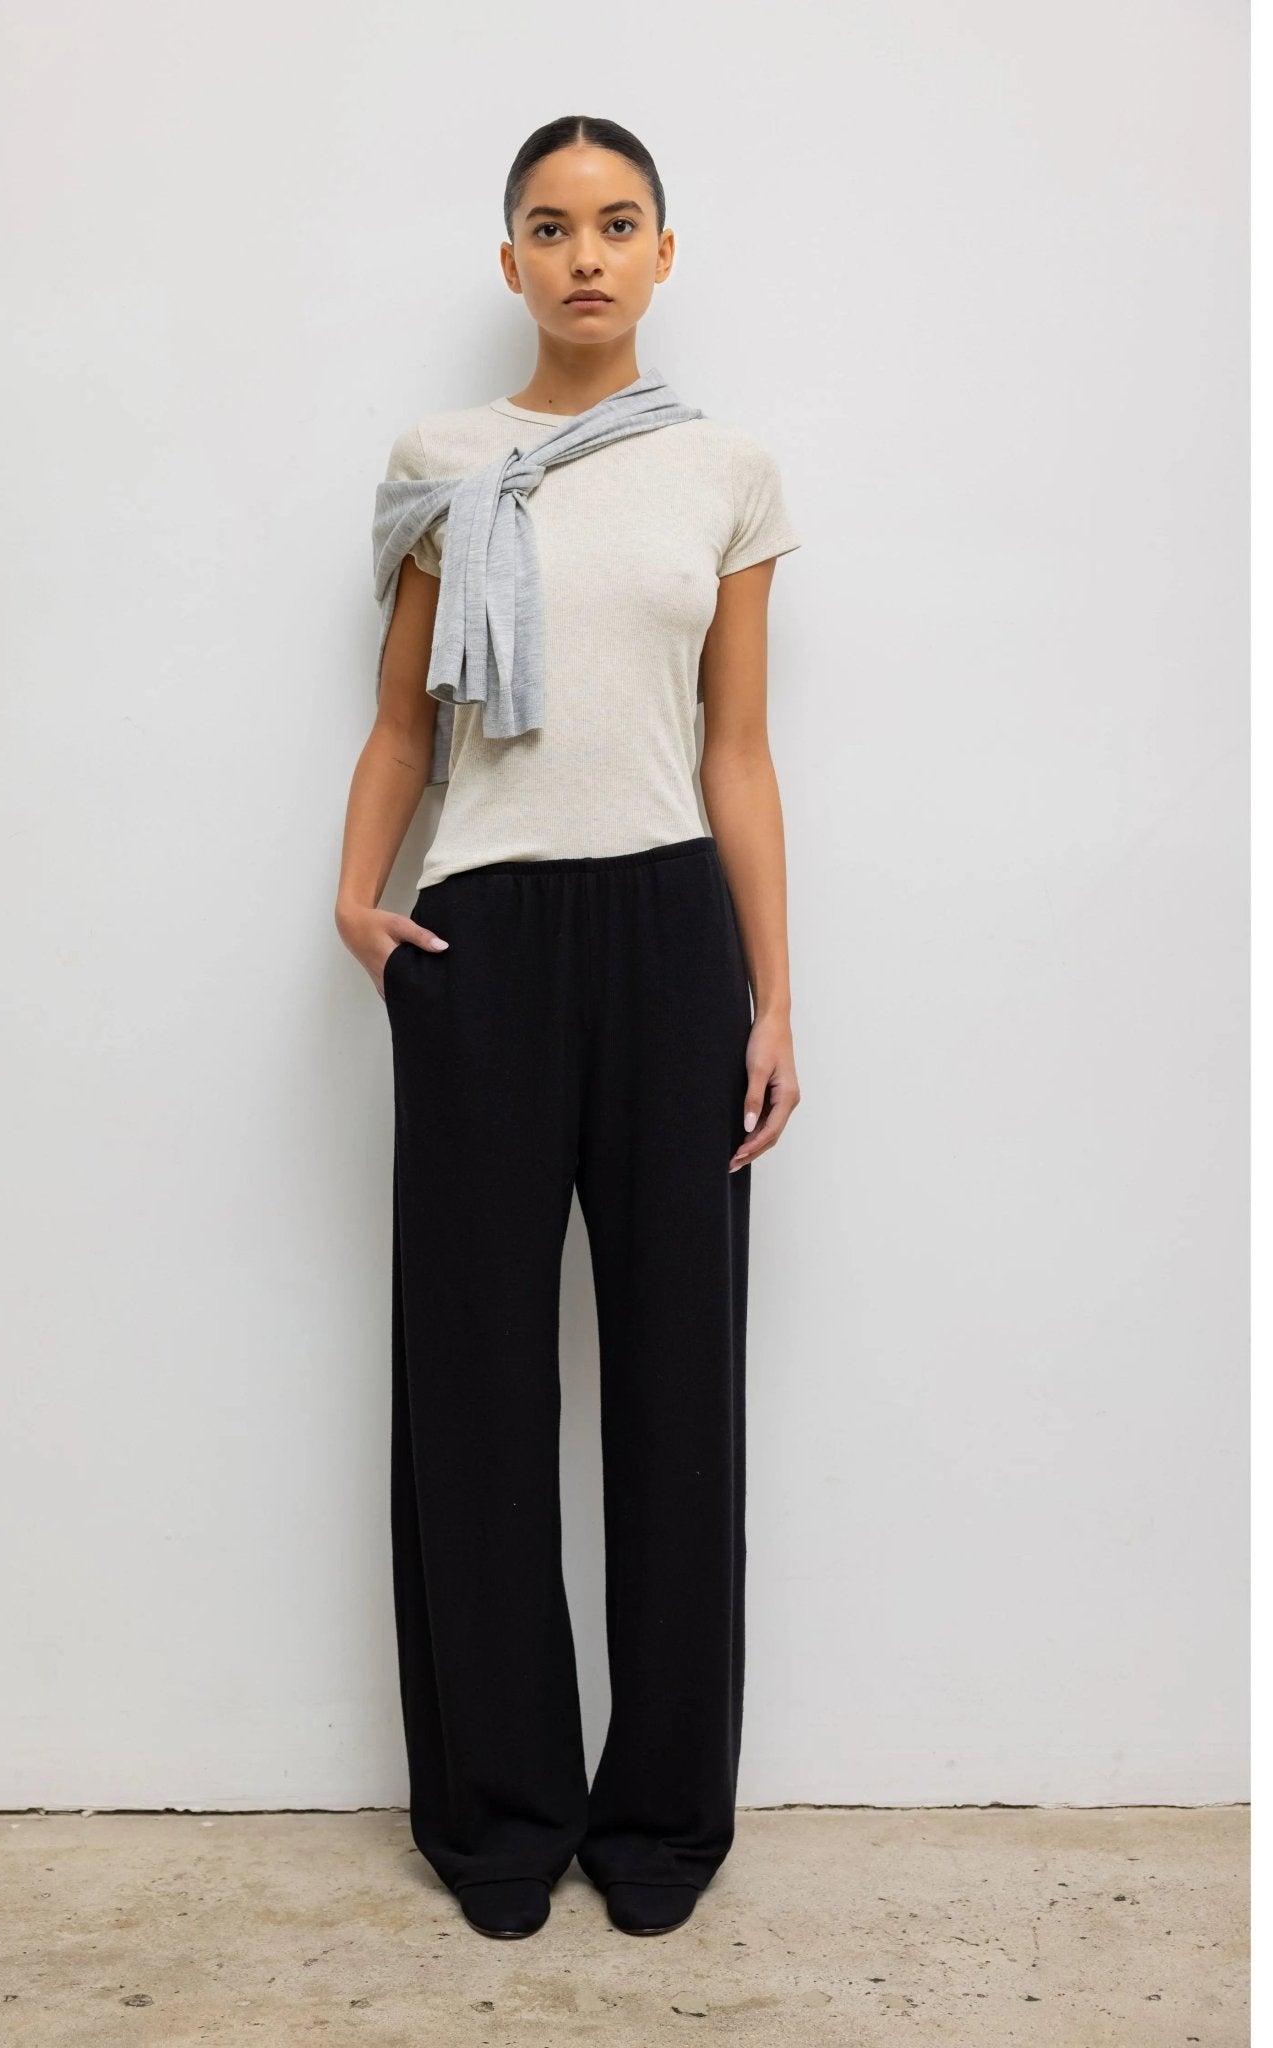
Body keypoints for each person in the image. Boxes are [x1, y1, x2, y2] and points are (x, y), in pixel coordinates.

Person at [334, 114, 803, 1942]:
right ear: (510, 259)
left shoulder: (727, 470)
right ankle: (501, 1814)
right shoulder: (442, 462)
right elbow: (402, 723)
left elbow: (738, 752)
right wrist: (356, 900)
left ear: (664, 253)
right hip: (487, 935)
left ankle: (666, 1818)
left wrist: (773, 997)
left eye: (617, 224)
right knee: (473, 1384)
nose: (585, 255)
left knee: (681, 1388)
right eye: (551, 226)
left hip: (672, 936)